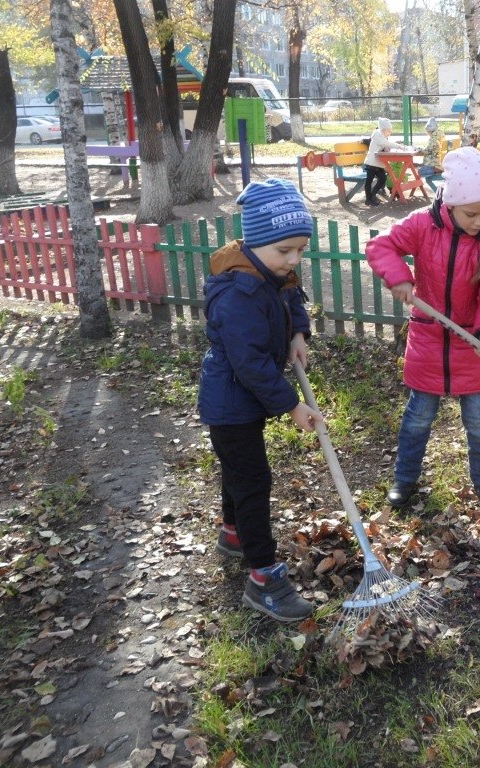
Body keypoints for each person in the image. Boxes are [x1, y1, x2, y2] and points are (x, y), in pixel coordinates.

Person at [198, 178, 324, 623]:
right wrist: (292, 405)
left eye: (300, 251)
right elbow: (250, 364)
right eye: (285, 251)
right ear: (255, 242)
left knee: (239, 473)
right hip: (232, 403)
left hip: (244, 398)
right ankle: (263, 578)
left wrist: (297, 332)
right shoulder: (237, 293)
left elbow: (291, 296)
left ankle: (233, 535)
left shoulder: (269, 270)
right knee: (252, 482)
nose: (292, 261)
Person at [365, 147, 480, 508]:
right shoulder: (421, 224)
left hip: (472, 344)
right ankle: (404, 480)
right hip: (428, 338)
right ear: (450, 202)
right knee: (417, 420)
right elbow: (380, 246)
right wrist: (399, 277)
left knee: (479, 422)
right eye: (472, 213)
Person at [363, 117, 414, 207]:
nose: (390, 133)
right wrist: (400, 146)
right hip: (371, 163)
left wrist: (386, 148)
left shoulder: (382, 136)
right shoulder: (377, 135)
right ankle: (368, 199)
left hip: (379, 163)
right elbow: (385, 144)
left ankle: (372, 195)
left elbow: (384, 146)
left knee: (383, 179)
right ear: (383, 130)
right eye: (388, 131)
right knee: (369, 181)